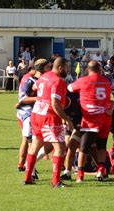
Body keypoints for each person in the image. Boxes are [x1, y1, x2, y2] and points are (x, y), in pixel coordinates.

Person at [23, 57, 74, 187]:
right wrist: (66, 118)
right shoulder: (58, 81)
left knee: (35, 146)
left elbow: (35, 86)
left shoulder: (44, 76)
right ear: (60, 67)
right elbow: (55, 103)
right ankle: (56, 181)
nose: (68, 70)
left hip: (36, 115)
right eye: (67, 67)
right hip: (49, 117)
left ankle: (28, 178)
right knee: (60, 148)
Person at [67, 60, 114, 182]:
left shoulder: (83, 80)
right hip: (105, 118)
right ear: (100, 69)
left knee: (84, 148)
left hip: (91, 117)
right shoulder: (107, 81)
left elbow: (69, 88)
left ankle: (80, 174)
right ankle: (100, 171)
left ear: (87, 70)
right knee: (101, 146)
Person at [15, 59, 50, 172]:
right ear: (43, 68)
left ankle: (24, 165)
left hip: (37, 112)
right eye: (49, 67)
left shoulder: (44, 79)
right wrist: (41, 98)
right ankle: (30, 169)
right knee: (30, 140)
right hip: (27, 113)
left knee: (30, 140)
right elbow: (23, 98)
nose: (50, 69)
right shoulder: (28, 80)